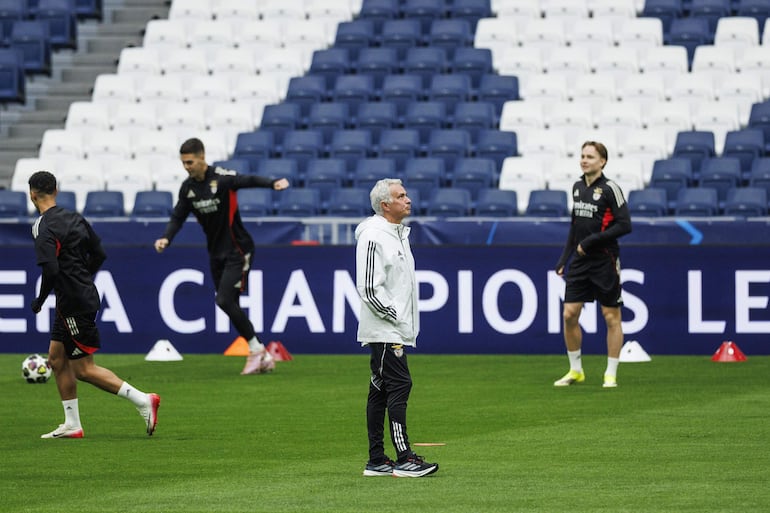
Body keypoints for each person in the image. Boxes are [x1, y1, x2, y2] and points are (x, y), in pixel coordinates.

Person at [28, 170, 160, 439]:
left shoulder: (43, 226)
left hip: (74, 301)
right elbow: (99, 253)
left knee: (84, 369)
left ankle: (143, 400)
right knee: (56, 358)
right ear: (56, 189)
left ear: (32, 194)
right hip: (75, 298)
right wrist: (83, 277)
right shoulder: (75, 217)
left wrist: (40, 300)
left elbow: (51, 270)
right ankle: (72, 424)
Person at [154, 138, 290, 375]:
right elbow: (178, 216)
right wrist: (167, 237)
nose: (186, 167)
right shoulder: (188, 189)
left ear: (202, 157)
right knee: (228, 302)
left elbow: (247, 180)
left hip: (238, 249)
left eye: (190, 162)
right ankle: (263, 355)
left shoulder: (222, 177)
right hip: (216, 253)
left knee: (224, 300)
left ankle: (257, 351)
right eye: (183, 163)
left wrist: (272, 183)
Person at [355, 178, 439, 478]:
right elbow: (367, 286)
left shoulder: (397, 233)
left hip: (392, 328)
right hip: (384, 329)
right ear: (385, 205)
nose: (408, 199)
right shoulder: (373, 235)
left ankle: (377, 459)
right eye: (401, 196)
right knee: (400, 385)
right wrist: (394, 316)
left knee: (380, 390)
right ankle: (403, 457)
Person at [554, 141, 632, 388]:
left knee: (610, 316)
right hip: (580, 260)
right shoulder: (577, 187)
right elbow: (574, 227)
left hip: (604, 260)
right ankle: (576, 370)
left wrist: (591, 242)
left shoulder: (610, 189)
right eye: (582, 156)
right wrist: (564, 259)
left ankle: (611, 373)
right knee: (569, 315)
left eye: (590, 156)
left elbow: (624, 225)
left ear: (602, 161)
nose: (584, 160)